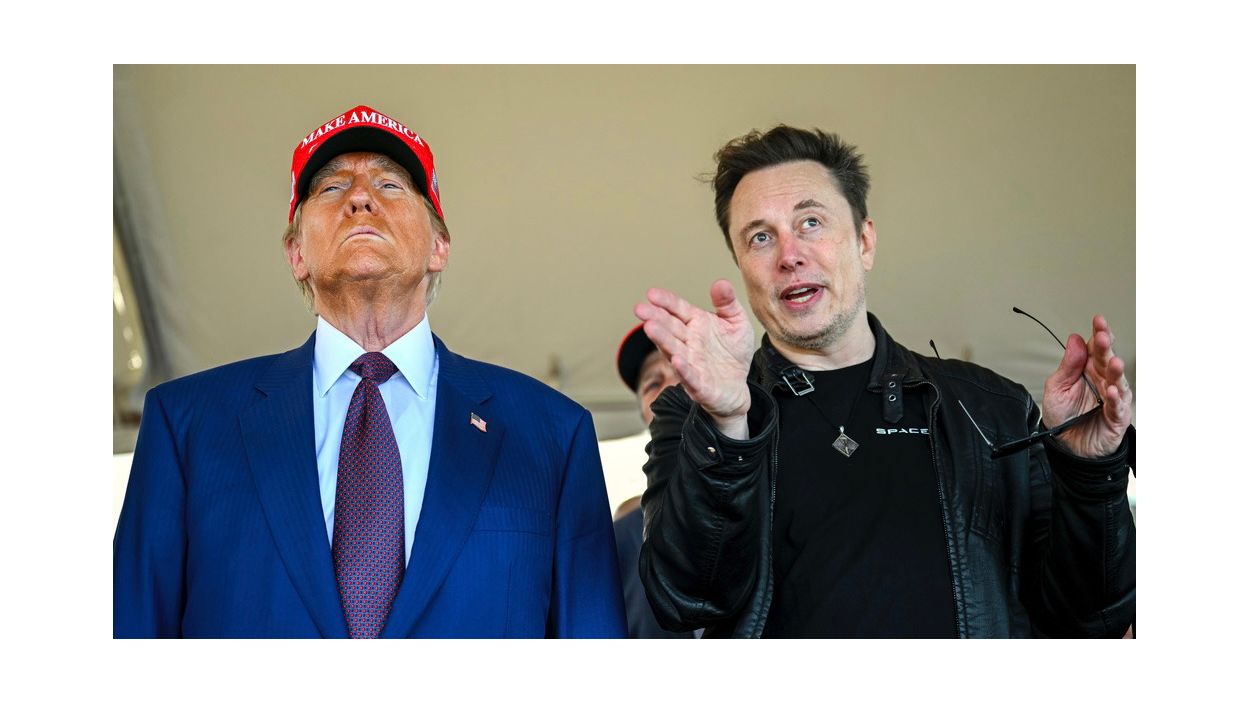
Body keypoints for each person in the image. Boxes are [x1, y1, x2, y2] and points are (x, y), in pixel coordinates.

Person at [114, 104, 626, 638]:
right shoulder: (187, 425)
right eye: (332, 188)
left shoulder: (550, 434)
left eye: (390, 185)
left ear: (439, 246)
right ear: (296, 253)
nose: (360, 198)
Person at [634, 125, 1135, 638]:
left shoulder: (992, 407)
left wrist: (1088, 471)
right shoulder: (693, 416)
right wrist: (726, 427)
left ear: (865, 241)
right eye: (760, 237)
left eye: (810, 222)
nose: (789, 255)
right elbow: (686, 601)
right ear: (741, 265)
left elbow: (1088, 619)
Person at [611, 323, 692, 639]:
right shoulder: (620, 541)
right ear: (644, 414)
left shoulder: (776, 497)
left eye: (684, 372)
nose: (671, 388)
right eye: (652, 384)